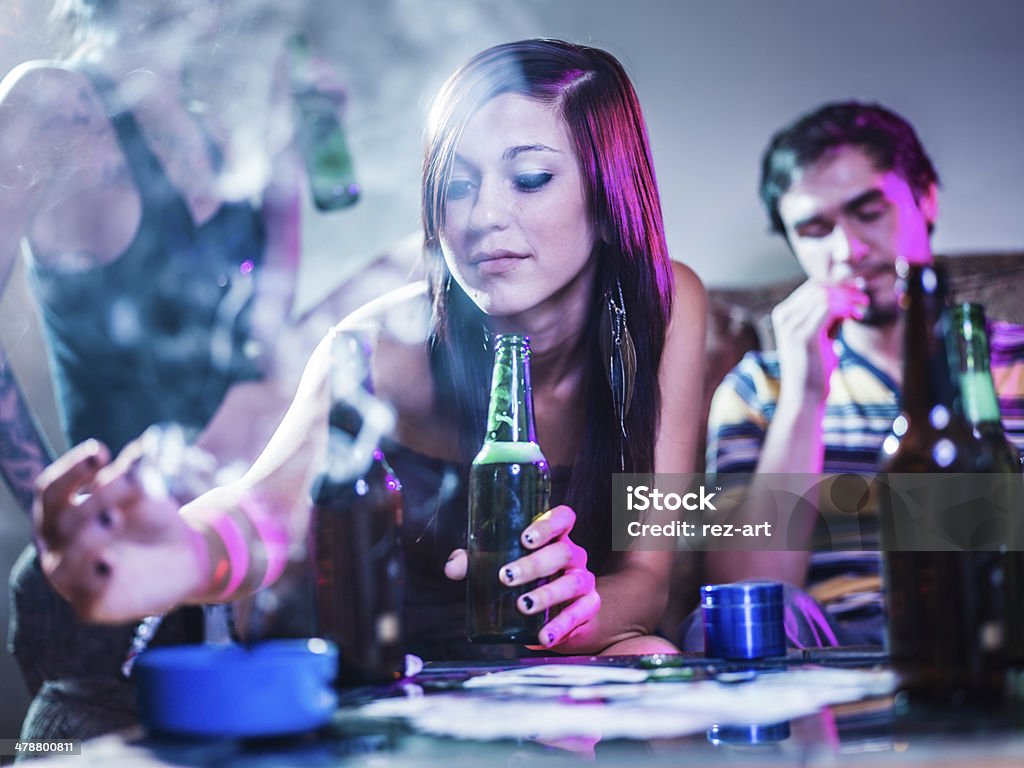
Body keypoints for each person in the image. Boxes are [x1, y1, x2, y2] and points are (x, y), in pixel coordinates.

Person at [33, 38, 707, 660]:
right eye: (457, 185)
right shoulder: (380, 346)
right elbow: (260, 510)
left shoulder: (665, 309)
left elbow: (647, 577)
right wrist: (180, 555)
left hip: (550, 663)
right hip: (377, 673)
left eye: (529, 178)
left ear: (609, 189)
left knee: (650, 657)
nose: (481, 218)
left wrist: (564, 612)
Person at [1, 0, 413, 739]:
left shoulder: (214, 131)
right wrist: (64, 506)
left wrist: (289, 159)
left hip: (233, 568)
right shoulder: (54, 104)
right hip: (117, 581)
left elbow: (262, 336)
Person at [702, 101, 1024, 644]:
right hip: (833, 647)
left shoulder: (1014, 364)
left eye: (869, 212)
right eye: (813, 229)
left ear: (925, 198)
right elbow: (747, 598)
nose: (847, 250)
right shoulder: (757, 387)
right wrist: (804, 398)